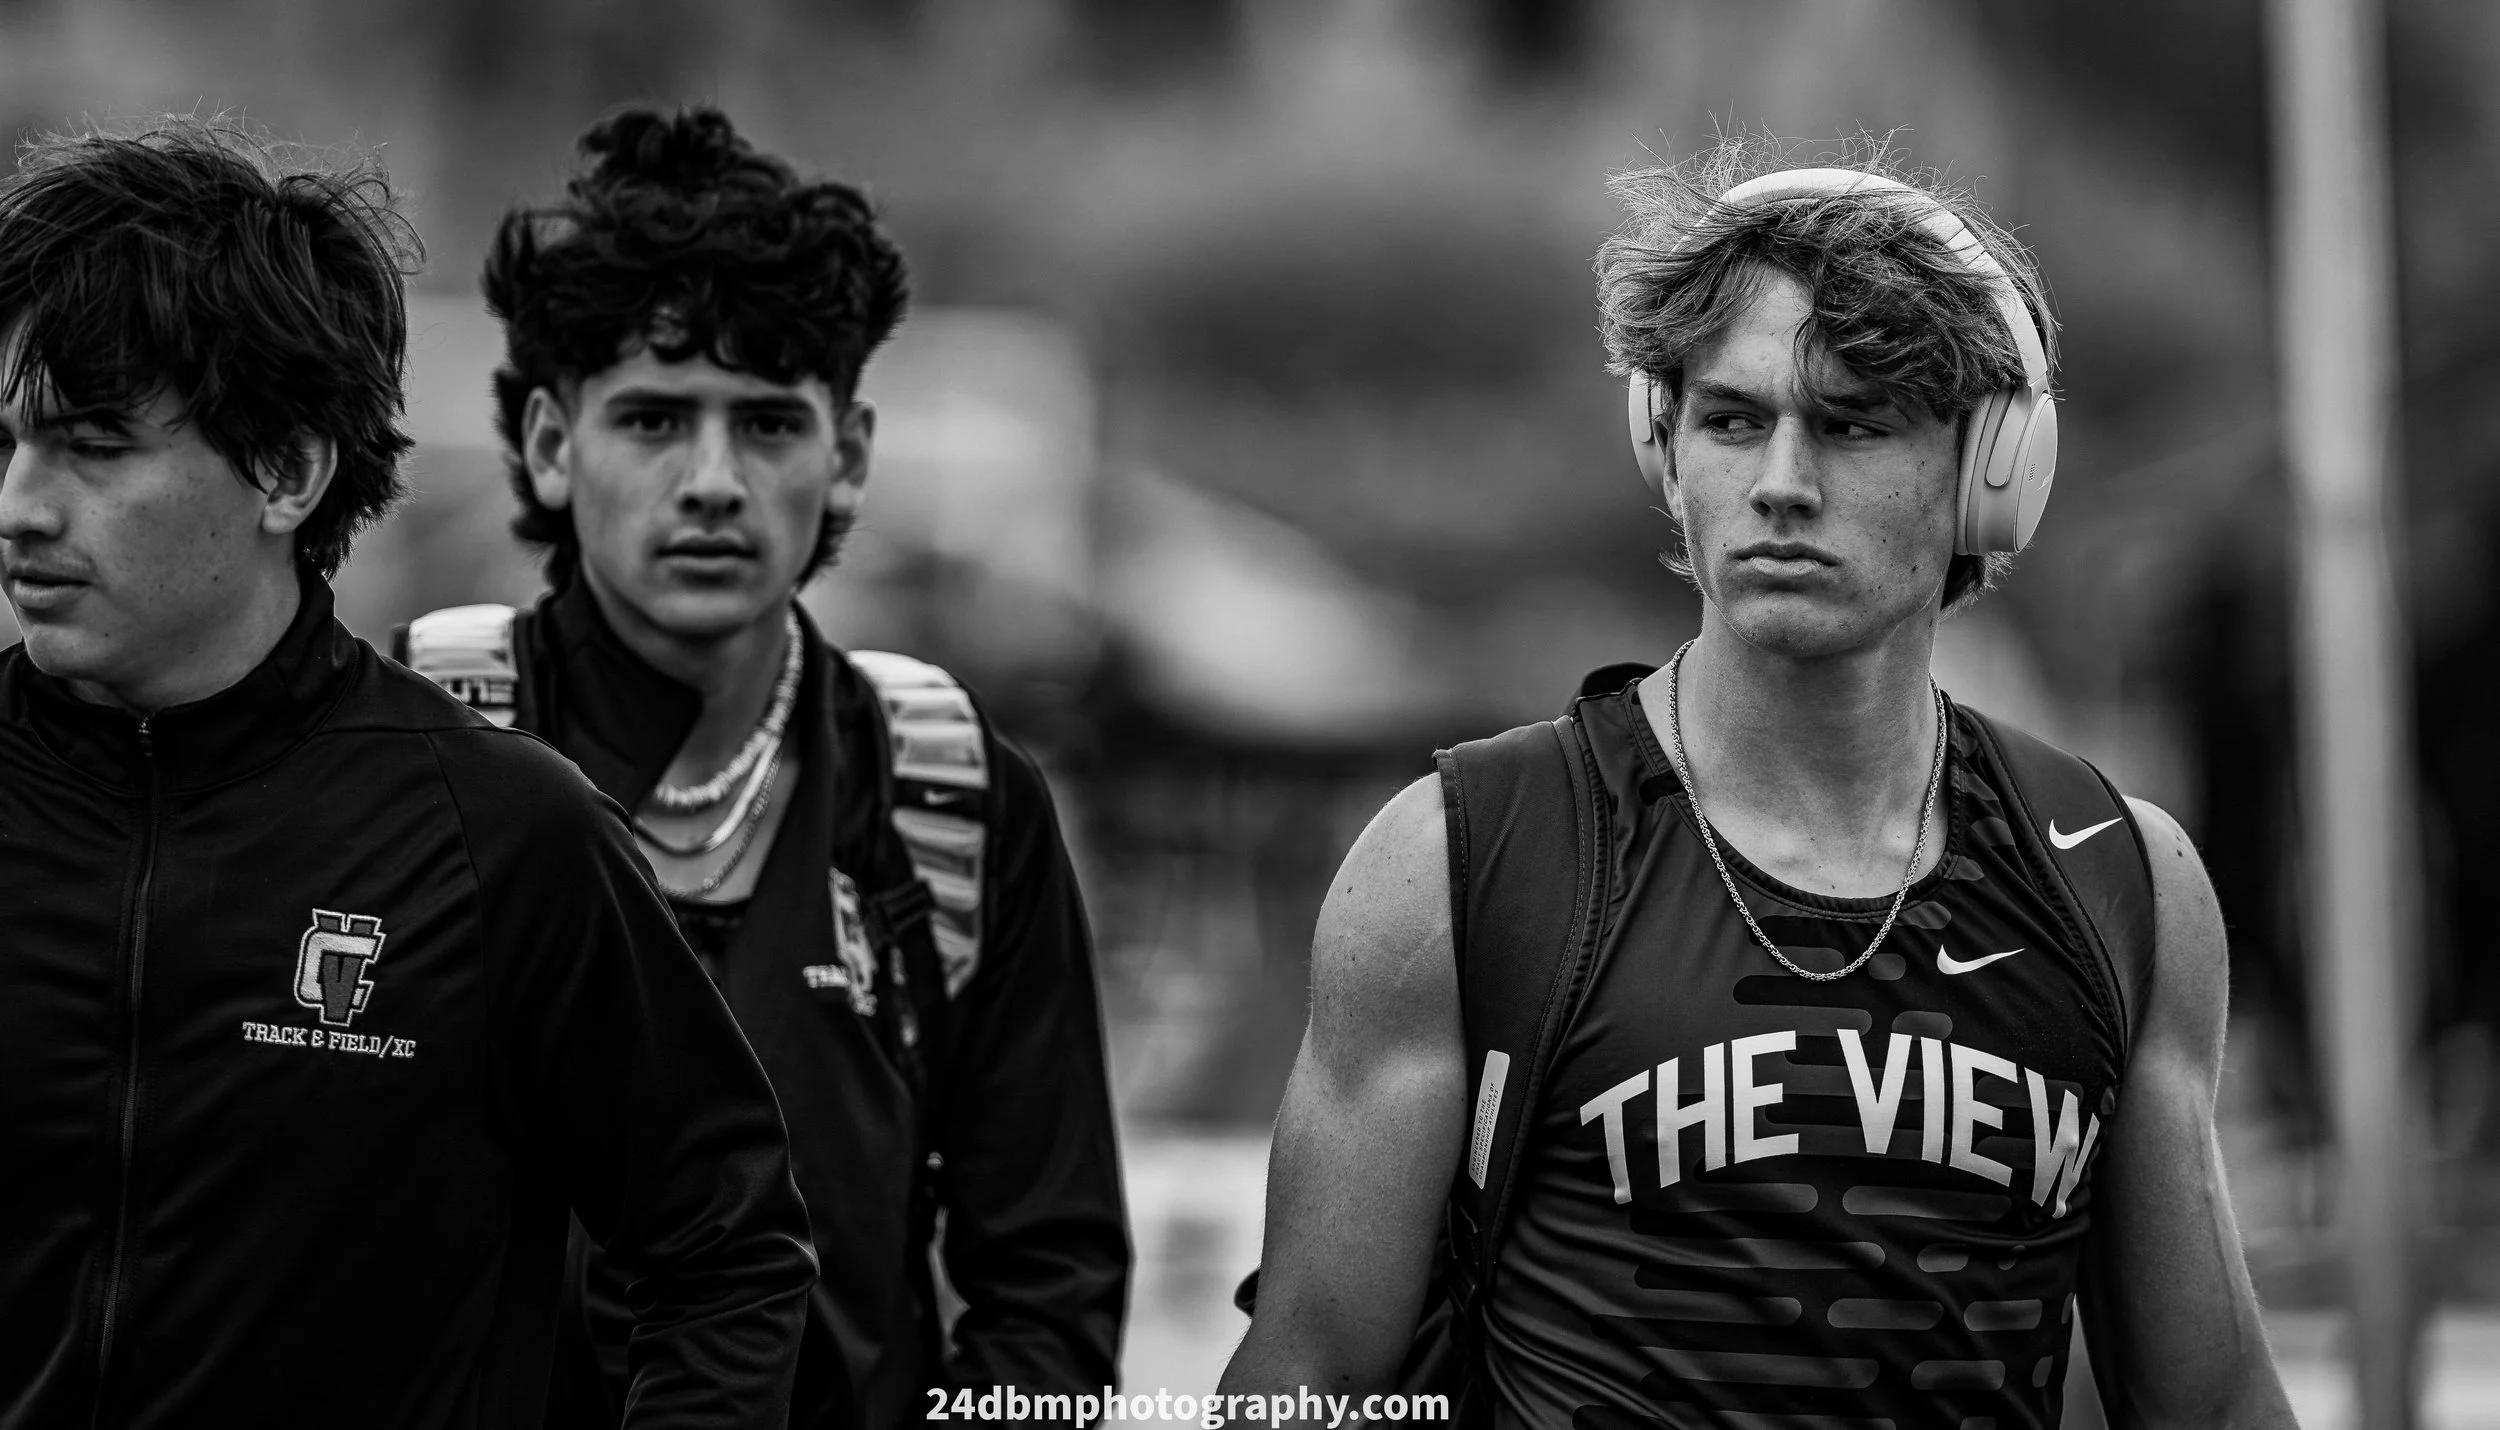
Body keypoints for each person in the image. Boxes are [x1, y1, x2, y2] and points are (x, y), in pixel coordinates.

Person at [1221, 140, 2297, 1427]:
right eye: (1733, 420)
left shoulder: (2118, 877)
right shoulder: (1465, 859)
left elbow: (2211, 1398)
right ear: (1664, 450)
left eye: (1852, 424)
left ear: (1991, 471)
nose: (1781, 484)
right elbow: (1305, 1377)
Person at [0, 118, 816, 1426]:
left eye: (93, 446)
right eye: (7, 443)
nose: (21, 506)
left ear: (286, 469)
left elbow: (723, 1255)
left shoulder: (503, 836)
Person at [397, 106, 1128, 1428]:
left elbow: (1049, 1294)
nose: (713, 481)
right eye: (653, 418)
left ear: (848, 455)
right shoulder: (408, 747)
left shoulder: (953, 790)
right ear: (552, 445)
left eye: (769, 425)